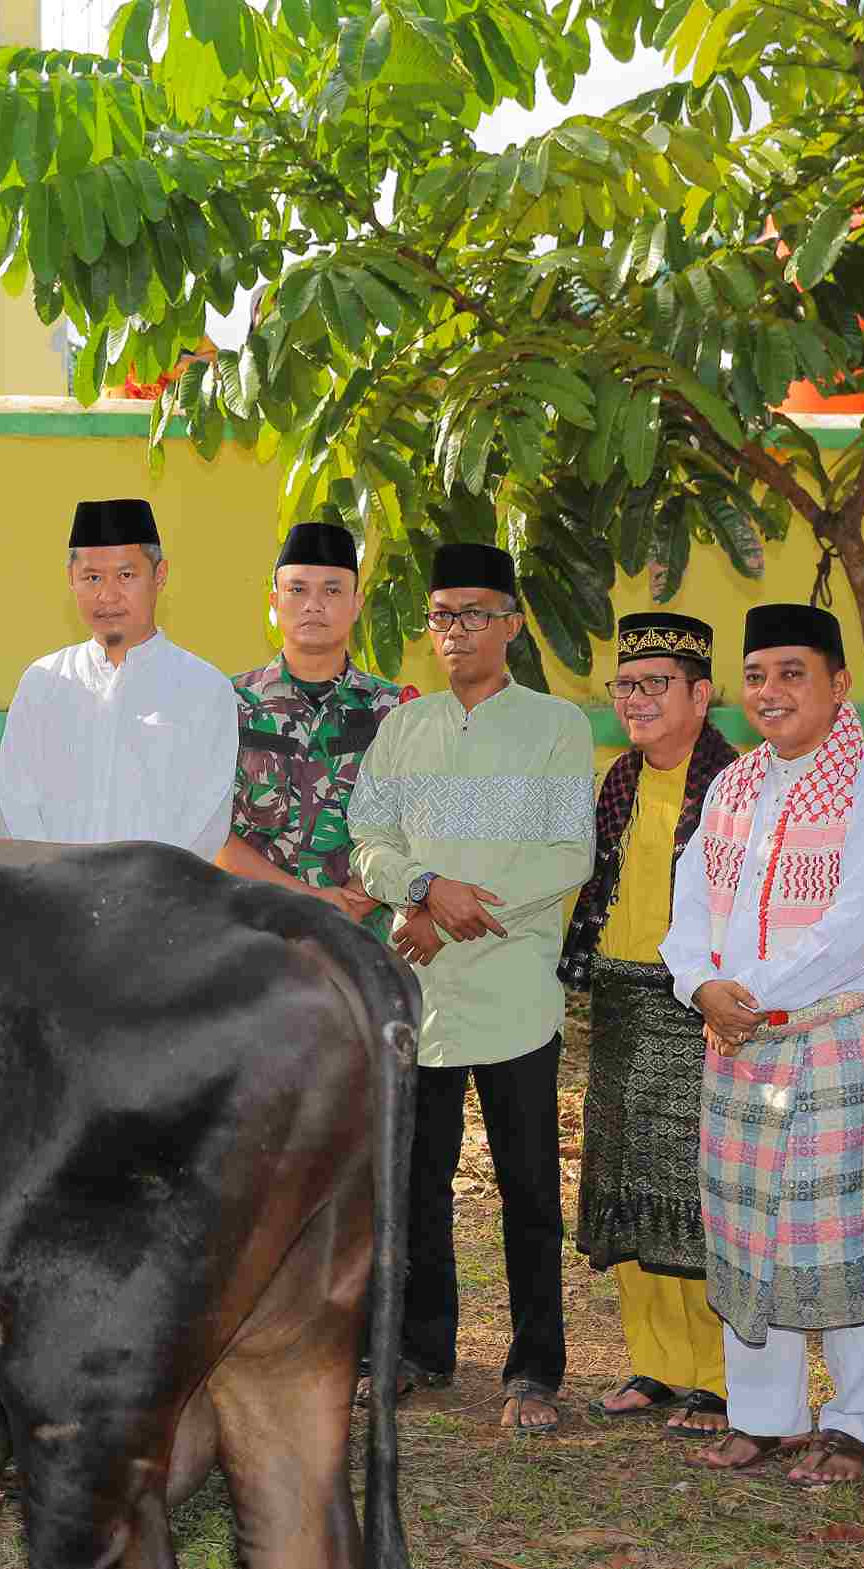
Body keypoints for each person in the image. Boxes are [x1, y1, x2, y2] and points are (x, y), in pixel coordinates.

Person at [661, 603, 864, 1484]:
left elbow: (860, 923)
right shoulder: (733, 785)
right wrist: (698, 983)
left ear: (838, 684)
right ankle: (764, 1415)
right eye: (757, 675)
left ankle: (855, 1423)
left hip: (832, 1034)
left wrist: (748, 996)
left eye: (791, 673)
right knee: (744, 1226)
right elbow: (689, 900)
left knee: (835, 1230)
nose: (769, 691)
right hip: (735, 1037)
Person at [347, 542, 593, 1433]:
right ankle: (420, 1349)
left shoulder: (556, 725)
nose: (455, 631)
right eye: (442, 616)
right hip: (421, 989)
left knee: (528, 1190)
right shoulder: (404, 727)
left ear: (512, 625)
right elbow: (367, 836)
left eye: (475, 615)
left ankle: (533, 1368)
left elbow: (567, 853)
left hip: (513, 986)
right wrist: (417, 890)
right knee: (417, 1183)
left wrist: (448, 908)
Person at [562, 612, 739, 1439]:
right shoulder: (619, 781)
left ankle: (717, 1374)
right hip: (620, 998)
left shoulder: (734, 785)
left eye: (654, 684)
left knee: (695, 1188)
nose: (635, 699)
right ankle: (656, 1361)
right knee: (627, 1181)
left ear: (700, 696)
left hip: (696, 1006)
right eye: (625, 684)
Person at [0, 499, 236, 856]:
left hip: (160, 890)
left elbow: (205, 819)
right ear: (71, 579)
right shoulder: (43, 683)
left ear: (159, 575)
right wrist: (53, 881)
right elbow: (15, 805)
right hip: (50, 889)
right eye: (92, 577)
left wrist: (147, 884)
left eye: (126, 576)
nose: (107, 595)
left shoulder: (204, 689)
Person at [218, 521, 407, 939]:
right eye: (298, 589)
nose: (313, 605)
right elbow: (210, 833)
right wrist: (310, 899)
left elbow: (414, 823)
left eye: (332, 591)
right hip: (252, 937)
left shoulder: (395, 712)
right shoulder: (228, 704)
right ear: (275, 601)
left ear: (357, 604)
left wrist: (360, 897)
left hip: (361, 939)